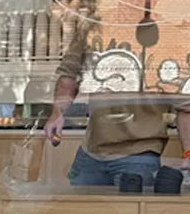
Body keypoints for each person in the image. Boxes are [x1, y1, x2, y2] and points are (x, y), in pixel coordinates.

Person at [45, 17, 190, 185]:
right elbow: (70, 74)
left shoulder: (167, 34)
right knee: (79, 201)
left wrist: (188, 153)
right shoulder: (95, 22)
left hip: (138, 155)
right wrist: (57, 113)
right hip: (92, 152)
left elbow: (184, 105)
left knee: (95, 202)